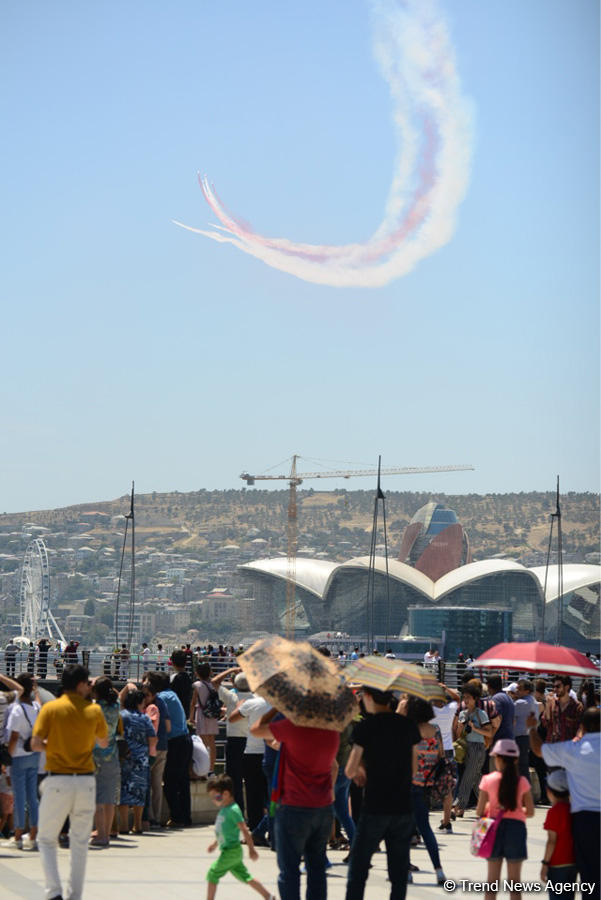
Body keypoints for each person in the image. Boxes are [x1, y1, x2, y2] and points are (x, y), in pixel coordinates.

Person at [31, 664, 108, 900]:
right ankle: (75, 895)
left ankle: (54, 892)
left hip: (58, 780)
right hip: (85, 780)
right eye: (88, 683)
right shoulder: (94, 711)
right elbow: (103, 743)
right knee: (80, 843)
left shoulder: (51, 708)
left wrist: (55, 747)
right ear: (81, 684)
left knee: (46, 838)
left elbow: (35, 743)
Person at [251, 707, 339, 900]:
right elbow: (334, 766)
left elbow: (256, 729)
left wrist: (275, 708)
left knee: (289, 871)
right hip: (323, 808)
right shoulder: (332, 731)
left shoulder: (292, 727)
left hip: (294, 807)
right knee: (317, 870)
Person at [343, 685, 419, 900]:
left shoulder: (365, 727)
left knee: (358, 868)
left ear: (368, 697)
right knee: (398, 872)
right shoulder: (408, 726)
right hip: (403, 807)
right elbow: (414, 768)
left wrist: (361, 769)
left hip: (375, 806)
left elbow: (350, 770)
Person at [528, 706, 600, 900]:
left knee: (589, 876)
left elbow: (538, 750)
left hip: (584, 819)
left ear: (582, 726)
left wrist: (531, 728)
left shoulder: (574, 749)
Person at [475, 738, 534, 900]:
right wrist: (514, 809)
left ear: (497, 758)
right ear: (516, 759)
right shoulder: (522, 782)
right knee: (515, 884)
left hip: (493, 828)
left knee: (491, 883)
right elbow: (530, 812)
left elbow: (479, 811)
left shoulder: (487, 780)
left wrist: (490, 807)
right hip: (516, 830)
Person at [205, 774, 275, 900]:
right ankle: (269, 896)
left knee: (212, 874)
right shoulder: (225, 809)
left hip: (230, 852)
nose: (213, 800)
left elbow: (244, 830)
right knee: (246, 877)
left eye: (215, 796)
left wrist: (251, 849)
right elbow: (222, 831)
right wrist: (215, 844)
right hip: (232, 852)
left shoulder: (233, 810)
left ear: (225, 794)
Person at [405, 696, 446, 884]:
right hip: (427, 786)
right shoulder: (435, 730)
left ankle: (406, 871)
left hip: (410, 784)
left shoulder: (410, 731)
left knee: (403, 829)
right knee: (426, 828)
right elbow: (441, 756)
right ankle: (438, 870)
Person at [2, 673, 41, 850]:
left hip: (18, 756)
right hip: (34, 755)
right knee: (32, 797)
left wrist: (6, 761)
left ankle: (17, 836)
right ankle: (33, 835)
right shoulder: (36, 707)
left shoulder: (17, 710)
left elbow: (14, 737)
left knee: (19, 797)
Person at [151, 670, 192, 828]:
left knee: (170, 782)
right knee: (183, 781)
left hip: (175, 742)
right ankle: (185, 816)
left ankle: (176, 816)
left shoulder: (161, 698)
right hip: (185, 739)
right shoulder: (172, 694)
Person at [211, 666, 253, 814]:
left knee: (233, 781)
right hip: (252, 742)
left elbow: (214, 682)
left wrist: (232, 670)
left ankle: (237, 811)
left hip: (234, 742)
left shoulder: (231, 697)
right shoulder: (256, 699)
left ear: (235, 685)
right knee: (251, 780)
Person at [118, 688, 156, 834]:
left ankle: (123, 826)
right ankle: (138, 825)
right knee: (139, 790)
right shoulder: (144, 718)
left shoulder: (121, 716)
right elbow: (152, 738)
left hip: (124, 757)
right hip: (141, 758)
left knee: (123, 790)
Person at [452, 683, 492, 818]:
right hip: (465, 747)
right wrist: (461, 727)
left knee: (468, 777)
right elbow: (458, 734)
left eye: (468, 697)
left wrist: (475, 728)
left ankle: (456, 805)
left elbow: (489, 733)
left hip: (477, 747)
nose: (466, 700)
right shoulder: (463, 714)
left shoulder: (481, 714)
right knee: (475, 778)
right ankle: (488, 804)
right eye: (464, 697)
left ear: (475, 699)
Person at [90, 676, 121, 846]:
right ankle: (106, 833)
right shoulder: (116, 706)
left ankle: (101, 833)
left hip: (96, 755)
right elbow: (116, 694)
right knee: (109, 798)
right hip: (112, 753)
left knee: (98, 798)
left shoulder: (94, 708)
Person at [540, 769, 576, 899]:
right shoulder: (574, 809)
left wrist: (545, 863)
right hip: (572, 862)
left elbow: (551, 841)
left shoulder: (553, 812)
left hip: (556, 863)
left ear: (549, 791)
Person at [141, 677, 170, 827]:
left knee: (147, 783)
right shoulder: (163, 704)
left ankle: (149, 817)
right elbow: (169, 726)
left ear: (152, 695)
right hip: (163, 746)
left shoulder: (150, 708)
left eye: (146, 695)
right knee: (157, 784)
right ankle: (156, 818)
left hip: (152, 748)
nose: (144, 698)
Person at [191, 661, 220, 776]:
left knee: (203, 742)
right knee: (212, 742)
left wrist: (191, 717)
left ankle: (203, 767)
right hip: (212, 715)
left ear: (197, 673)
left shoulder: (197, 685)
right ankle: (211, 769)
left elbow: (193, 702)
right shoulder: (214, 685)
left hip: (201, 714)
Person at [543, 675, 582, 744]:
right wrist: (547, 706)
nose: (555, 689)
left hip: (569, 747)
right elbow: (546, 723)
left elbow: (580, 729)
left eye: (558, 686)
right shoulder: (552, 704)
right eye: (553, 687)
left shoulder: (577, 706)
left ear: (567, 687)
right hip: (553, 746)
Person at [513, 679, 538, 782]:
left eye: (519, 689)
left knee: (521, 767)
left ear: (527, 691)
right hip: (527, 736)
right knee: (523, 765)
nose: (516, 691)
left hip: (520, 737)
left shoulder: (520, 703)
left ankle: (525, 791)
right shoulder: (533, 700)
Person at [485, 675, 515, 744]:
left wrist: (490, 739)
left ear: (489, 686)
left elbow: (497, 720)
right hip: (509, 737)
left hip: (500, 740)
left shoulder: (496, 699)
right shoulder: (508, 697)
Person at [170, 649, 193, 715]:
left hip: (176, 712)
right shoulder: (188, 677)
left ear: (172, 662)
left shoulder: (174, 678)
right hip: (185, 711)